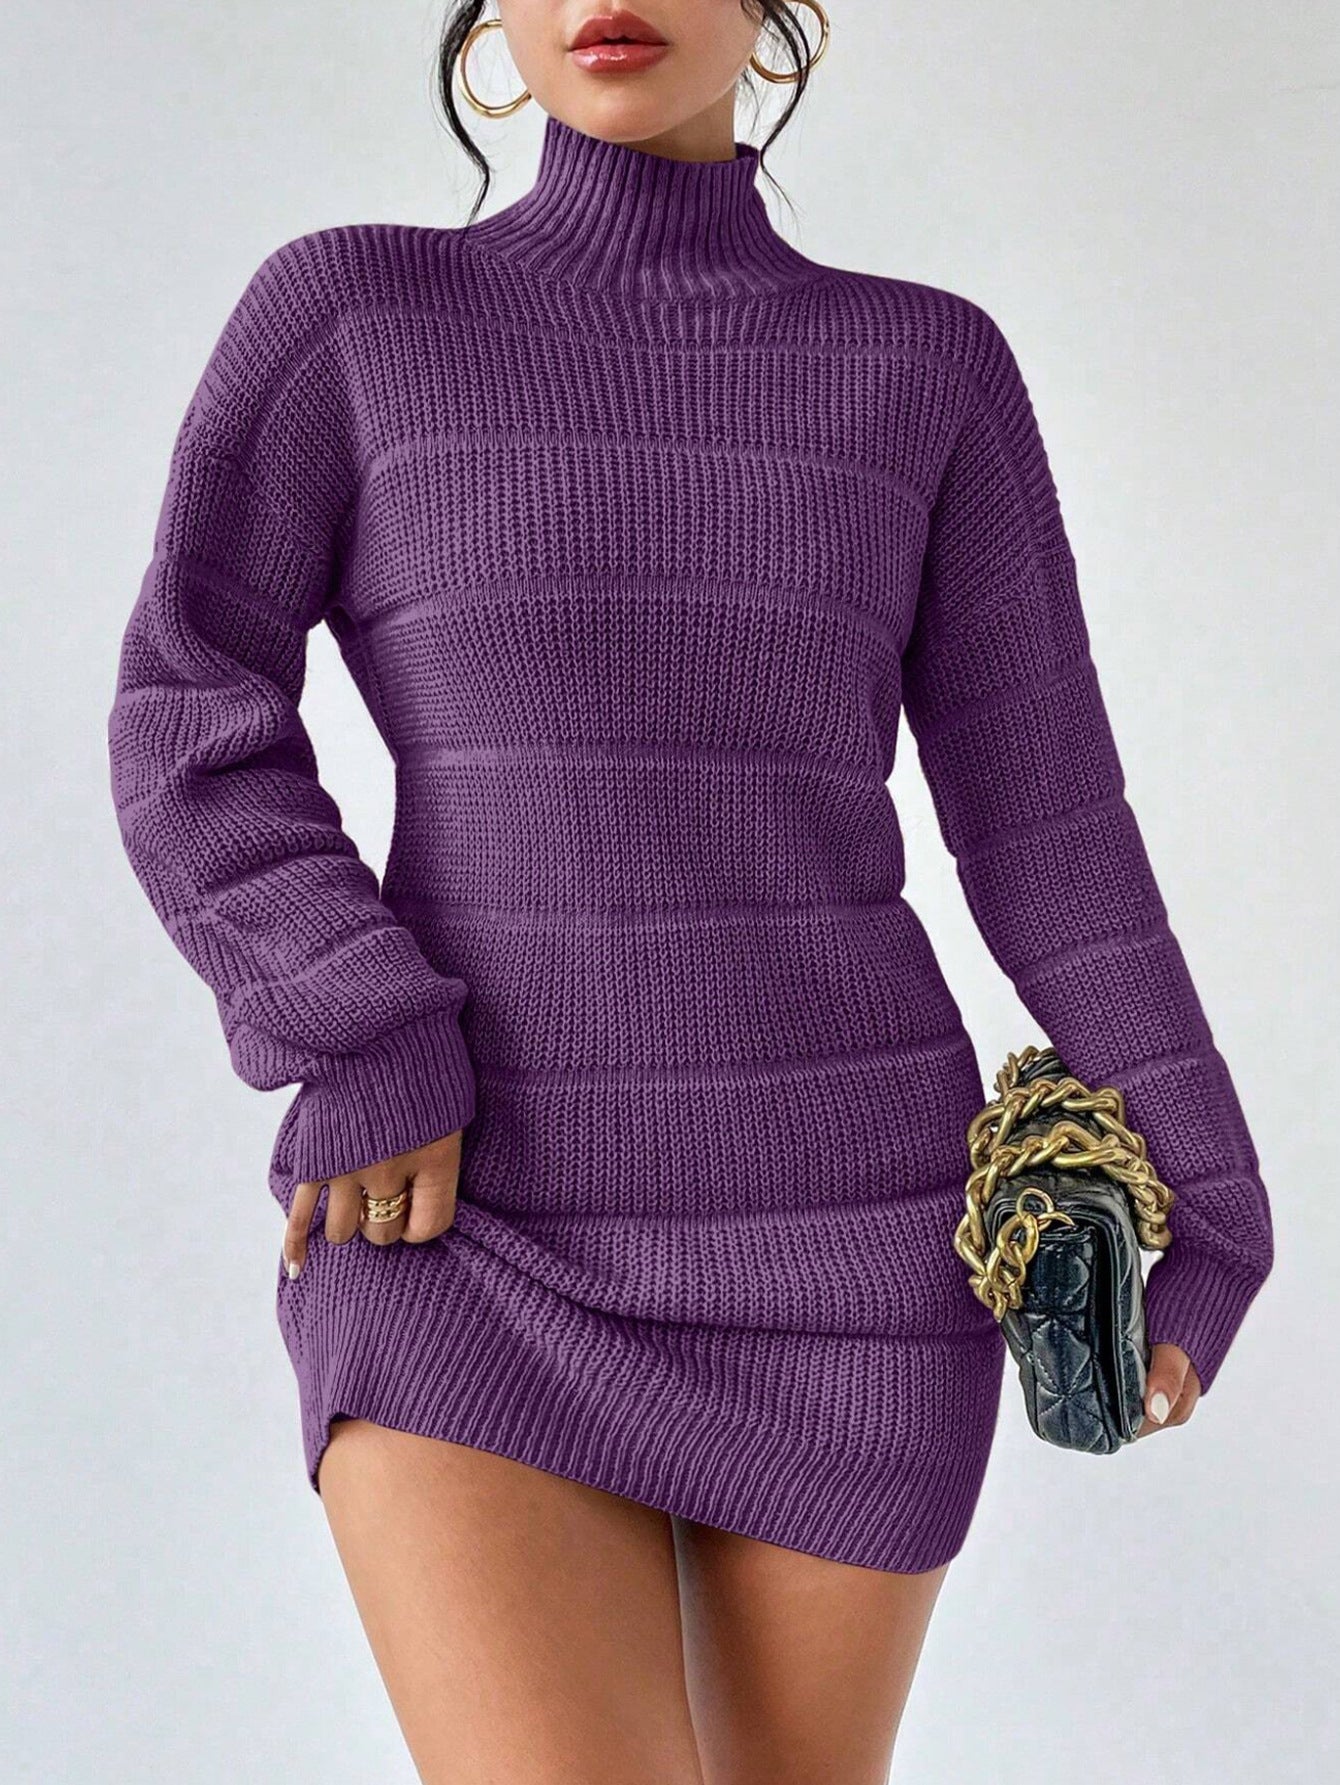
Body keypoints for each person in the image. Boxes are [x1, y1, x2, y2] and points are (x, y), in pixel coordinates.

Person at [105, 4, 1274, 1780]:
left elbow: (1050, 832)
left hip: (852, 1257)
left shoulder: (926, 370)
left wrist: (1212, 1189)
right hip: (462, 1232)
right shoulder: (352, 321)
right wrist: (361, 1022)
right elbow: (188, 711)